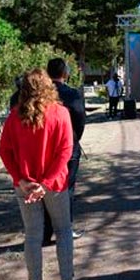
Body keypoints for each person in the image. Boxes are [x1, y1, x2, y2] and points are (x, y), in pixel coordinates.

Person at [0, 69, 76, 280]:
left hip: (25, 185)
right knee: (63, 230)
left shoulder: (14, 116)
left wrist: (20, 179)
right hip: (55, 184)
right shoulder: (61, 113)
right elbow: (65, 151)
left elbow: (5, 151)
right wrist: (47, 183)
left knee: (32, 235)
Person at [44, 58, 87, 243]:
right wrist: (75, 136)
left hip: (44, 147)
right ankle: (65, 229)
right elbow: (80, 118)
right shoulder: (71, 94)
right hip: (68, 146)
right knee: (67, 188)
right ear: (65, 73)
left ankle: (45, 233)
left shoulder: (40, 94)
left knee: (43, 189)